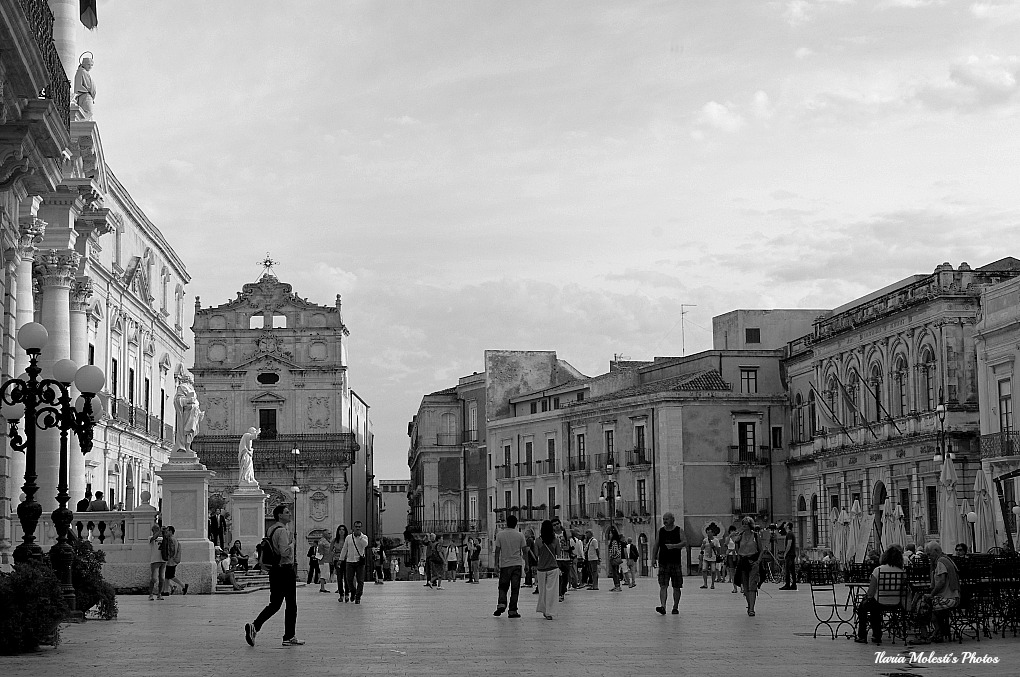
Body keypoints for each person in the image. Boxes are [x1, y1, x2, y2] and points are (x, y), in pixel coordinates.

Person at [246, 504, 303, 647]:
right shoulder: (282, 531)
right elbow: (284, 552)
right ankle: (289, 636)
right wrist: (292, 544)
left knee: (275, 604)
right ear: (279, 515)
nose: (289, 514)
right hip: (285, 569)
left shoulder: (271, 529)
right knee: (291, 604)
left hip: (274, 571)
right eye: (286, 512)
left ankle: (255, 626)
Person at [854, 545, 906, 645]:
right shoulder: (902, 572)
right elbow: (903, 590)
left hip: (879, 601)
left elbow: (871, 592)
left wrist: (866, 598)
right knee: (874, 607)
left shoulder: (878, 570)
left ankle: (863, 635)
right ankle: (876, 635)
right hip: (896, 602)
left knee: (863, 608)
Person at [924, 541, 960, 643]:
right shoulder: (947, 559)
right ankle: (940, 630)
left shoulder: (940, 562)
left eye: (929, 554)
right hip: (954, 596)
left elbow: (941, 582)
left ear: (936, 551)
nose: (928, 557)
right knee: (929, 603)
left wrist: (931, 594)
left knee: (925, 606)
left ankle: (937, 631)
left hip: (949, 598)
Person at [493, 514, 528, 618]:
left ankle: (501, 604)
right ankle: (512, 610)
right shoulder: (520, 535)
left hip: (505, 565)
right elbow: (525, 551)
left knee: (503, 586)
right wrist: (526, 564)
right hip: (517, 564)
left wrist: (496, 564)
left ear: (506, 523)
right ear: (516, 524)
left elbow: (497, 551)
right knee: (515, 588)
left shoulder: (500, 535)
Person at [652, 512, 686, 615]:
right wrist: (653, 558)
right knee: (663, 585)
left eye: (667, 519)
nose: (665, 521)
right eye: (663, 519)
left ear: (672, 519)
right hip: (663, 562)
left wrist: (674, 546)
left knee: (676, 586)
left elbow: (684, 542)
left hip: (675, 562)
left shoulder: (679, 530)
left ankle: (675, 607)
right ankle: (663, 606)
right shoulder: (660, 531)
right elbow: (656, 545)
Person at [732, 516, 763, 616]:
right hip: (743, 561)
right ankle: (749, 605)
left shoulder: (755, 536)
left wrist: (758, 561)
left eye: (746, 524)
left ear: (750, 525)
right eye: (743, 524)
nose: (744, 526)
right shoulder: (740, 536)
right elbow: (735, 546)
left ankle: (752, 609)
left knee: (752, 585)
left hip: (753, 561)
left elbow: (761, 550)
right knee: (745, 587)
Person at [533, 520, 560, 620]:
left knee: (542, 591)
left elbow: (537, 554)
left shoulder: (538, 541)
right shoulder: (555, 540)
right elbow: (558, 552)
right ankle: (550, 611)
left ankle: (543, 609)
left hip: (541, 568)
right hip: (553, 567)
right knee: (552, 591)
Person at [338, 520, 369, 604]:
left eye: (359, 527)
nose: (357, 528)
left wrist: (360, 537)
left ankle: (358, 596)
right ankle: (353, 591)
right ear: (353, 527)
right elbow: (344, 549)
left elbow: (365, 545)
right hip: (350, 561)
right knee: (349, 579)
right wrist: (341, 559)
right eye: (356, 527)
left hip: (359, 561)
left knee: (360, 580)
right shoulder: (348, 538)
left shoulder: (364, 537)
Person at [173, 371, 204, 454]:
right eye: (192, 378)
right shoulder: (182, 387)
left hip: (194, 413)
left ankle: (188, 447)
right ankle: (185, 447)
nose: (193, 380)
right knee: (187, 430)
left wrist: (199, 413)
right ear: (189, 378)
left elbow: (195, 402)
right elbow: (178, 400)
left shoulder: (191, 388)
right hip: (187, 413)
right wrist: (188, 400)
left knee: (191, 432)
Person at [162, 526, 189, 595]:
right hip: (172, 560)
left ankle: (183, 585)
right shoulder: (173, 539)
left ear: (171, 531)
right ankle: (166, 591)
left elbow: (173, 550)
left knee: (170, 576)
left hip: (171, 561)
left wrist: (170, 558)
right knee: (168, 576)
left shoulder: (171, 539)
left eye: (167, 531)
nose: (166, 533)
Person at [551, 519, 572, 601]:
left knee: (565, 577)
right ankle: (559, 593)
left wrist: (568, 548)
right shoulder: (552, 535)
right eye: (554, 525)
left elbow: (570, 544)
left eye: (557, 524)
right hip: (557, 558)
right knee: (558, 577)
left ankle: (562, 592)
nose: (556, 526)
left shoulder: (566, 534)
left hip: (566, 558)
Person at [73, 54, 96, 120]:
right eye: (88, 64)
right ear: (84, 64)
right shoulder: (82, 72)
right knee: (87, 114)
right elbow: (87, 86)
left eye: (91, 65)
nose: (90, 67)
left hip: (87, 96)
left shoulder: (84, 72)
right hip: (85, 96)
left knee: (88, 116)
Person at [148, 524, 166, 601]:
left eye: (158, 529)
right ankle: (151, 594)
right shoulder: (150, 538)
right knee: (154, 579)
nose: (157, 530)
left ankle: (159, 594)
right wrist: (160, 531)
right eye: (156, 529)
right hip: (155, 560)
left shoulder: (163, 538)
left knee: (162, 578)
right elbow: (153, 538)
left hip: (163, 560)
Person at [331, 525, 349, 598]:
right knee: (339, 577)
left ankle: (347, 593)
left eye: (343, 530)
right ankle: (341, 593)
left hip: (346, 560)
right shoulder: (335, 540)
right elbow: (331, 550)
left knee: (347, 577)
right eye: (340, 530)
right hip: (337, 560)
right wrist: (333, 557)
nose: (341, 531)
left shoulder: (347, 540)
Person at [779, 522, 798, 590]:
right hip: (792, 554)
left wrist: (785, 553)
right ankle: (794, 584)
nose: (784, 524)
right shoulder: (791, 534)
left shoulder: (789, 534)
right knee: (792, 570)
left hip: (789, 554)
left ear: (788, 526)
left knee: (787, 569)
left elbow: (789, 544)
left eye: (785, 524)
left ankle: (787, 584)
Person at [607, 525, 625, 592]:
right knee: (616, 572)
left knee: (615, 573)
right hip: (617, 558)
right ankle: (616, 585)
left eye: (610, 533)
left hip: (614, 559)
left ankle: (617, 586)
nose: (609, 535)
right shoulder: (617, 541)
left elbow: (615, 550)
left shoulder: (614, 541)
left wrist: (612, 556)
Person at [725, 525, 739, 592]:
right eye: (731, 531)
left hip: (737, 554)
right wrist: (730, 536)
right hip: (730, 555)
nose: (733, 532)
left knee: (739, 571)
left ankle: (742, 587)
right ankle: (735, 587)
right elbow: (726, 543)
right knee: (732, 571)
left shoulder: (738, 537)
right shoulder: (728, 538)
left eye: (734, 530)